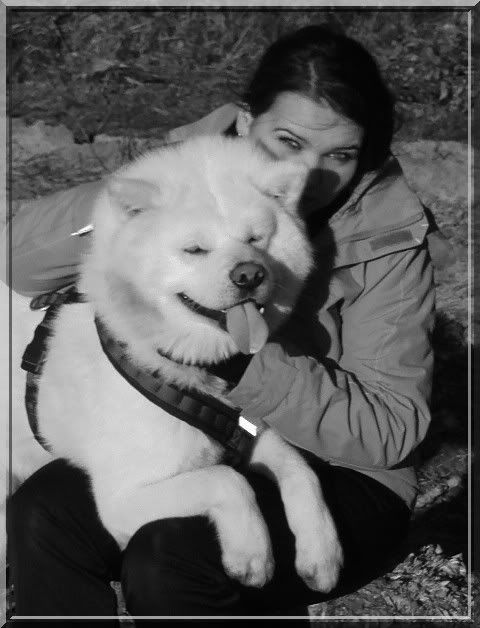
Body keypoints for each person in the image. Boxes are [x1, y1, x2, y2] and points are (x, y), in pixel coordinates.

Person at [6, 24, 440, 623]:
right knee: (42, 512)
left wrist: (243, 364)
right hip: (220, 435)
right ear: (245, 121)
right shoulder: (183, 182)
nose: (311, 172)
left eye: (340, 155)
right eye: (288, 141)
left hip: (347, 472)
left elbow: (390, 432)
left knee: (169, 557)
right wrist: (143, 201)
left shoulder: (389, 243)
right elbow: (16, 262)